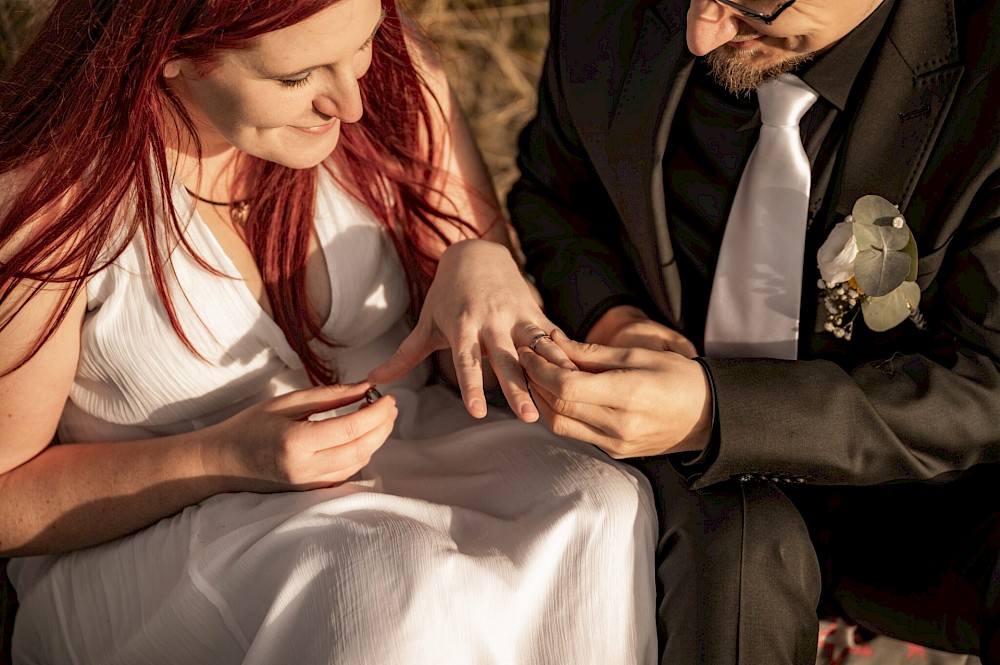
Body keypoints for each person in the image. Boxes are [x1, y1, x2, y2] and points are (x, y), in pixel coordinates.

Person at [0, 0, 658, 662]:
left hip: (413, 443)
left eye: (364, 42)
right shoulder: (49, 202)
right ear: (166, 49)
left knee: (598, 503)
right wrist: (221, 457)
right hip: (162, 525)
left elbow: (473, 249)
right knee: (385, 581)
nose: (349, 103)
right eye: (296, 77)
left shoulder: (394, 76)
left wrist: (481, 263)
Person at [507, 0, 1000, 663]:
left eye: (755, 6)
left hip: (920, 494)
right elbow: (554, 192)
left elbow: (986, 382)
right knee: (738, 577)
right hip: (693, 481)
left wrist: (717, 409)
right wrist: (614, 316)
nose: (700, 33)